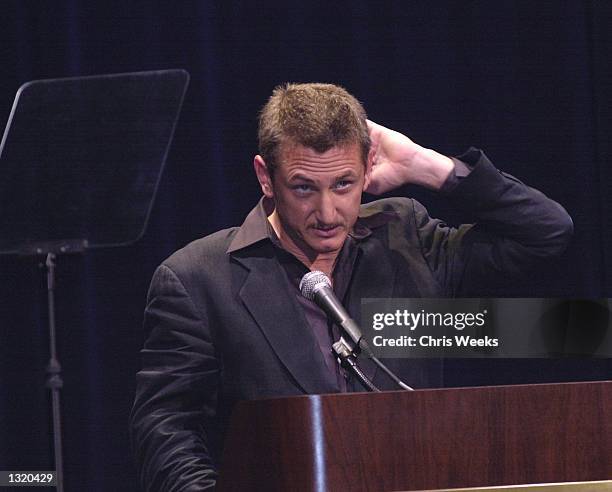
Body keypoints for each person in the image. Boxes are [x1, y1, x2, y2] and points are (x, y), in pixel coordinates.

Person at [130, 83, 573, 491]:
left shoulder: (405, 238)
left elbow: (546, 233)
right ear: (266, 177)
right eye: (304, 188)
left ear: (367, 171)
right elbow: (167, 430)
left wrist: (429, 166)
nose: (327, 212)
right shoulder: (198, 280)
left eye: (343, 184)